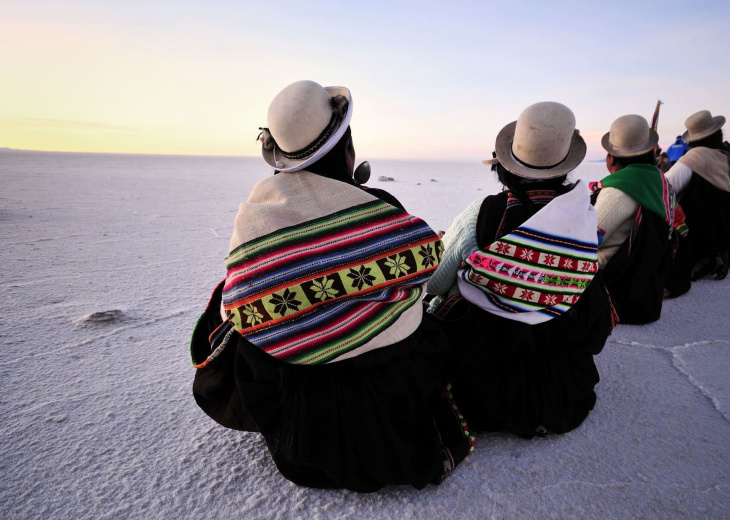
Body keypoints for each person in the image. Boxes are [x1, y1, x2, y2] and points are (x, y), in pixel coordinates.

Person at [189, 80, 472, 492]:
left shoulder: (255, 222)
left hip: (308, 431)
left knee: (231, 316)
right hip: (392, 396)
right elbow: (426, 261)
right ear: (347, 149)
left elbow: (243, 307)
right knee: (425, 324)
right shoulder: (381, 207)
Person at [426, 102, 614, 439]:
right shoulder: (582, 217)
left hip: (488, 389)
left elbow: (437, 282)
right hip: (565, 390)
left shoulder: (483, 213)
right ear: (564, 164)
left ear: (507, 165)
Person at [592, 115, 674, 323]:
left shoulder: (617, 191)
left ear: (611, 158)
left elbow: (587, 239)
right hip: (646, 292)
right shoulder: (660, 182)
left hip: (614, 293)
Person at [665, 110, 730, 281]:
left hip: (696, 233)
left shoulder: (693, 158)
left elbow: (665, 188)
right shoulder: (725, 158)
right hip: (723, 232)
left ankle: (703, 260)